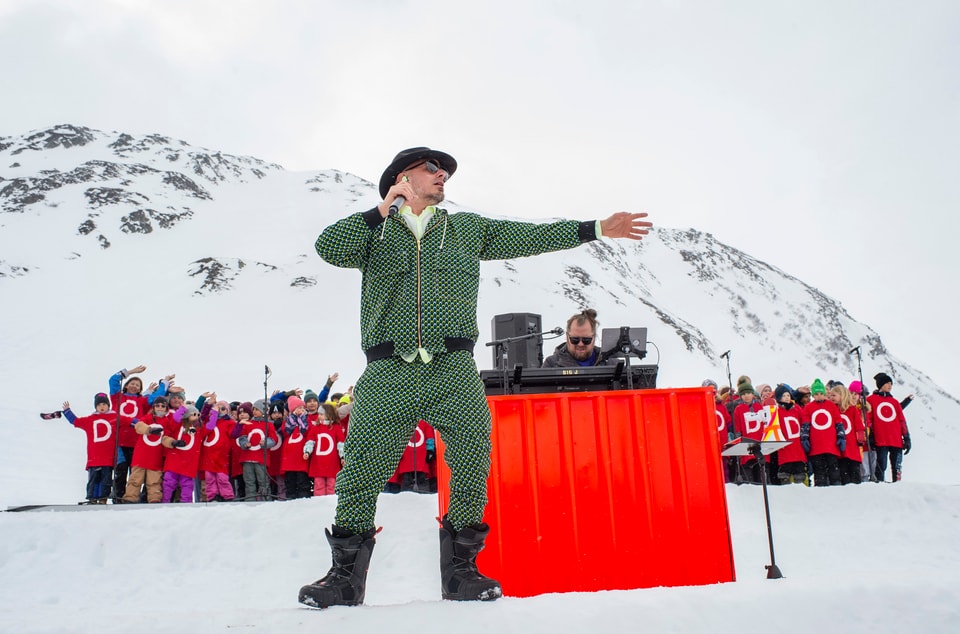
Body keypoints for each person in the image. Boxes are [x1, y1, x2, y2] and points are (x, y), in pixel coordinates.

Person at [302, 146, 653, 608]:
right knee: (363, 468)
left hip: (454, 368)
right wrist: (381, 210)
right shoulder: (374, 231)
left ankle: (462, 573)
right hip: (388, 369)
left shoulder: (465, 228)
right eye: (431, 168)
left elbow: (529, 236)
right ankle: (343, 579)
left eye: (445, 170)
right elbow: (328, 247)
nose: (442, 174)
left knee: (472, 459)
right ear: (402, 177)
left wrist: (597, 229)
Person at [61, 393, 117, 504]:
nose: (102, 407)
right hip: (94, 458)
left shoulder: (115, 418)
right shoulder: (90, 420)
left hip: (108, 458)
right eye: (99, 404)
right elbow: (76, 421)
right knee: (93, 480)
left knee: (105, 480)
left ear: (108, 406)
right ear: (95, 407)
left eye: (104, 404)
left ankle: (102, 499)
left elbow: (128, 421)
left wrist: (137, 423)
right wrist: (67, 411)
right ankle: (92, 499)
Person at [867, 372, 911, 482]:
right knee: (881, 466)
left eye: (891, 383)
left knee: (897, 467)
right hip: (880, 439)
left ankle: (897, 485)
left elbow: (902, 420)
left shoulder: (894, 402)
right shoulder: (871, 400)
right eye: (887, 383)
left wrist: (906, 437)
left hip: (896, 440)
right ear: (880, 384)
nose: (890, 385)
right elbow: (868, 419)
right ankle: (880, 486)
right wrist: (870, 436)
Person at [800, 379, 845, 486]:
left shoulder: (831, 406)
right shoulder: (808, 407)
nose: (819, 396)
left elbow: (838, 422)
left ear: (825, 394)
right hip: (816, 446)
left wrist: (841, 436)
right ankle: (821, 491)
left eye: (821, 393)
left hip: (831, 445)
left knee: (833, 469)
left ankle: (836, 488)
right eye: (816, 394)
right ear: (813, 395)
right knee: (819, 471)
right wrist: (804, 438)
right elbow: (805, 424)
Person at [542, 308, 614, 367]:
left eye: (586, 340)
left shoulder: (609, 363)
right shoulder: (551, 364)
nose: (580, 344)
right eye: (575, 339)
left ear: (594, 337)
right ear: (567, 337)